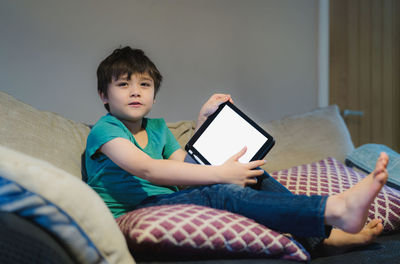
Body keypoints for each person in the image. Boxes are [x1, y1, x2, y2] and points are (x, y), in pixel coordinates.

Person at [85, 46, 388, 254]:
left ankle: (325, 239)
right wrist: (220, 174)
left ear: (154, 93)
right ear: (104, 95)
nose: (136, 91)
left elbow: (187, 171)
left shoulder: (158, 129)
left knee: (252, 172)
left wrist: (203, 124)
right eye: (124, 84)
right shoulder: (106, 129)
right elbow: (146, 168)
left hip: (172, 199)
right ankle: (334, 210)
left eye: (144, 84)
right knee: (221, 190)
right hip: (134, 212)